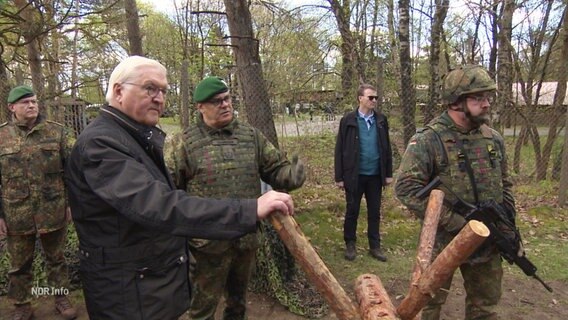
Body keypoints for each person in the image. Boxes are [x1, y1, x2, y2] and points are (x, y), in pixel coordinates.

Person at [64, 56, 295, 320]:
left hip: (152, 283)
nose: (159, 98)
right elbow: (160, 204)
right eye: (150, 88)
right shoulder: (101, 143)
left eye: (163, 91)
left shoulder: (139, 136)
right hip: (129, 293)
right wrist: (249, 209)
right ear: (119, 91)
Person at [166, 76, 306, 320]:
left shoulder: (251, 137)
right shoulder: (184, 144)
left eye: (227, 98)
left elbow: (275, 169)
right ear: (201, 107)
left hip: (245, 239)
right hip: (207, 245)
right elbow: (169, 193)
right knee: (201, 309)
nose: (225, 105)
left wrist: (292, 175)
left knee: (238, 304)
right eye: (217, 101)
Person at [395, 65, 516, 320]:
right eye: (478, 98)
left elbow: (505, 186)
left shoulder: (492, 139)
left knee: (485, 308)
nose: (486, 104)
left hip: (487, 240)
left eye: (487, 98)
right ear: (456, 102)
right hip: (443, 241)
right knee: (427, 304)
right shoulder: (429, 139)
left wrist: (508, 226)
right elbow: (406, 188)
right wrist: (458, 224)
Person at [0, 85, 77, 320]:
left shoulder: (57, 133)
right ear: (12, 107)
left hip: (52, 209)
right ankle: (22, 305)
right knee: (19, 264)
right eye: (25, 103)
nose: (32, 105)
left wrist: (71, 203)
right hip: (16, 213)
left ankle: (61, 299)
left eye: (34, 101)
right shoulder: (1, 137)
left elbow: (72, 173)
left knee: (56, 258)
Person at [334, 83, 393, 262]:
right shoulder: (348, 120)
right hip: (354, 175)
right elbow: (339, 149)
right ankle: (350, 244)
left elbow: (387, 148)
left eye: (376, 97)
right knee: (352, 210)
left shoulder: (381, 120)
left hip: (375, 175)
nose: (374, 100)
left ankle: (375, 246)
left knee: (374, 212)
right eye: (370, 97)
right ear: (360, 98)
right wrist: (339, 177)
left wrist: (388, 173)